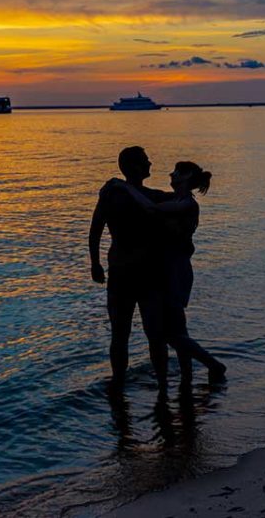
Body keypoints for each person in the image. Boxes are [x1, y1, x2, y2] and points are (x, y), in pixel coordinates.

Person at [111, 161, 227, 386]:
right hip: (167, 268)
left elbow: (152, 208)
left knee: (166, 333)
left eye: (176, 172)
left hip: (175, 271)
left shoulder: (186, 204)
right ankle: (187, 378)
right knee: (177, 327)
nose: (170, 174)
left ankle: (213, 364)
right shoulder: (175, 200)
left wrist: (125, 187)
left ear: (185, 178)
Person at [89, 146, 171, 391]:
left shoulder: (113, 195)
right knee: (151, 333)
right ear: (134, 167)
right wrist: (95, 263)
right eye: (145, 161)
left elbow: (95, 231)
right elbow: (96, 230)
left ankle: (121, 384)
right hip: (139, 273)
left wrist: (95, 263)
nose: (150, 164)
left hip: (128, 271)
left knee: (125, 333)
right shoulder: (144, 197)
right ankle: (160, 384)